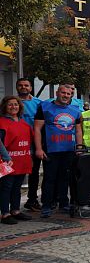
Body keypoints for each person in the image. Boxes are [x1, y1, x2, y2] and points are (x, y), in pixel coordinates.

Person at [34, 84, 82, 218]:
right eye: (63, 92)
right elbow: (37, 128)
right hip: (51, 149)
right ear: (57, 93)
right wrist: (39, 148)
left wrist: (79, 146)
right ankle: (46, 205)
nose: (66, 95)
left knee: (65, 178)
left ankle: (63, 203)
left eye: (68, 93)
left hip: (69, 150)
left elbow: (78, 130)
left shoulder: (75, 110)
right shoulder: (44, 107)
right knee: (49, 178)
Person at [0, 96, 33, 224]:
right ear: (5, 107)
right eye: (10, 104)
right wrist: (6, 157)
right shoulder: (2, 122)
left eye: (16, 104)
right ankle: (5, 213)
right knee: (6, 187)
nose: (13, 107)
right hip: (8, 161)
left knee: (17, 187)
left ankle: (15, 210)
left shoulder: (23, 122)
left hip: (22, 160)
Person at [16, 78, 43, 211]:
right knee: (16, 173)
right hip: (16, 144)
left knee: (34, 172)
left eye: (26, 85)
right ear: (17, 87)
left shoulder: (38, 103)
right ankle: (13, 204)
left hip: (34, 142)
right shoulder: (12, 103)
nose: (23, 87)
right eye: (20, 85)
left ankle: (32, 200)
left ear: (31, 88)